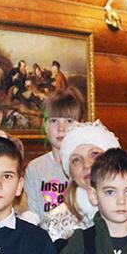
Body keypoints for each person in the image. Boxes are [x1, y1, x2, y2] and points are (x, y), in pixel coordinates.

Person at [40, 121, 121, 242]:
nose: (87, 165)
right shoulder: (53, 223)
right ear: (70, 173)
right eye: (76, 160)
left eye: (94, 154)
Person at [24, 88, 85, 220]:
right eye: (54, 121)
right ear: (45, 125)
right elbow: (32, 215)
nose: (61, 128)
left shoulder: (88, 167)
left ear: (80, 124)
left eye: (69, 121)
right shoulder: (35, 168)